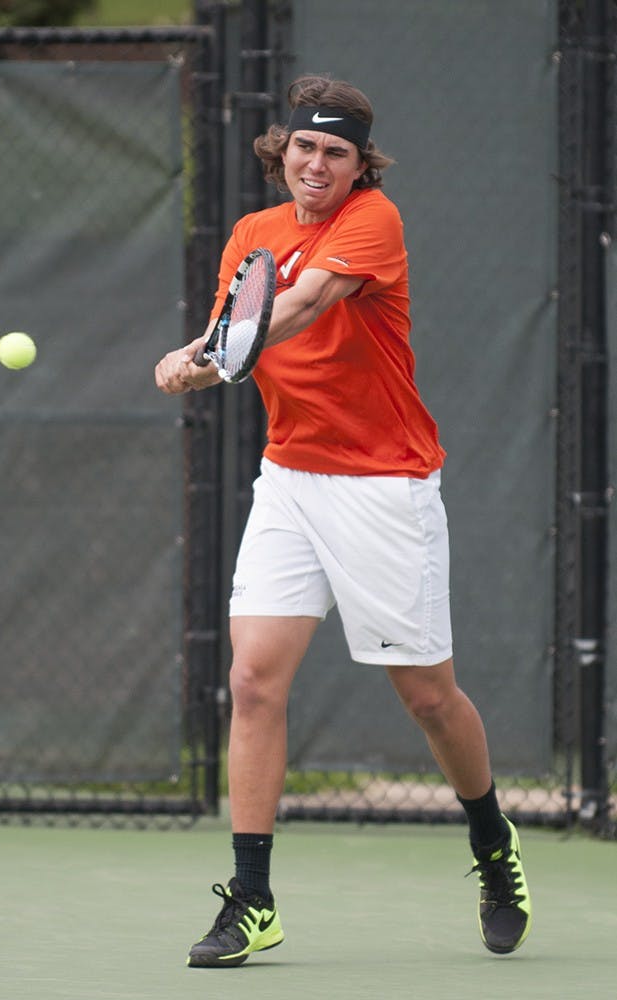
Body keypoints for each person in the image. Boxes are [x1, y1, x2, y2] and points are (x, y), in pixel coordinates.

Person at [155, 74, 532, 969]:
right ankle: (251, 898)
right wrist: (198, 350)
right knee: (253, 681)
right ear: (280, 151)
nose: (316, 163)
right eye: (303, 147)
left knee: (427, 697)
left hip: (383, 487)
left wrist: (202, 364)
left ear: (361, 165)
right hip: (290, 480)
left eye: (335, 152)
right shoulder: (253, 236)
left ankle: (491, 842)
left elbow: (299, 308)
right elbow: (234, 321)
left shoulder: (372, 221)